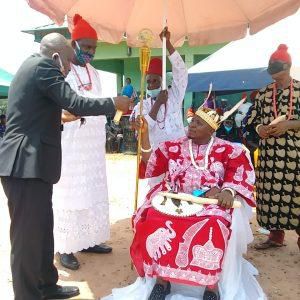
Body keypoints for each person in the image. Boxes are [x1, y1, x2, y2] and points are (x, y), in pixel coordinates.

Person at [0, 33, 130, 300]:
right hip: (24, 164)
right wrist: (112, 104)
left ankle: (47, 285)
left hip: (33, 165)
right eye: (69, 61)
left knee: (43, 231)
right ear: (57, 55)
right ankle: (27, 295)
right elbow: (75, 101)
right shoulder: (44, 67)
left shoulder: (32, 67)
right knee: (27, 239)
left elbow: (42, 114)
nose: (70, 67)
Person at [103, 108, 265, 300]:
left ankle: (210, 286)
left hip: (210, 202)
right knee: (156, 217)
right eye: (192, 121)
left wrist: (228, 192)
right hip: (174, 198)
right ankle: (162, 281)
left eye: (198, 123)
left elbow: (239, 174)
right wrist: (144, 134)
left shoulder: (229, 149)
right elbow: (150, 162)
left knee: (215, 222)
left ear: (211, 130)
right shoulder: (173, 146)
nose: (192, 125)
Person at [52, 14, 113, 272]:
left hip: (93, 146)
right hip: (71, 145)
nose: (90, 52)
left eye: (94, 48)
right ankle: (64, 247)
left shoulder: (95, 73)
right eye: (86, 46)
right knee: (70, 194)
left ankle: (87, 240)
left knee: (90, 192)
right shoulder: (62, 70)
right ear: (73, 44)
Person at [247, 44, 300, 250]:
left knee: (295, 194)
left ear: (287, 67)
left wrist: (290, 124)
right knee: (269, 195)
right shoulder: (263, 94)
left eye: (277, 73)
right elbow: (251, 119)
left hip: (295, 155)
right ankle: (275, 236)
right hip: (269, 155)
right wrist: (260, 127)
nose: (274, 78)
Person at [130, 27, 187, 150]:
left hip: (179, 154)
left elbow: (181, 72)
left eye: (155, 81)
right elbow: (145, 127)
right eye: (149, 81)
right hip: (156, 156)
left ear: (163, 82)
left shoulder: (174, 96)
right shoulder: (142, 105)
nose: (151, 85)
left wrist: (168, 44)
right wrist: (158, 103)